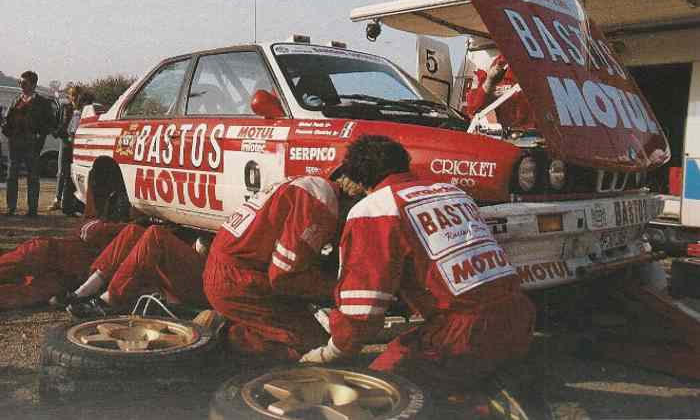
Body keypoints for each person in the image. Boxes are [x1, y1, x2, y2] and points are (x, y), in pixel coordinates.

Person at [300, 136, 535, 392]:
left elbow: (361, 312)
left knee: (376, 390)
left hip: (463, 334)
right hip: (520, 317)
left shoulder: (375, 208)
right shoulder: (454, 192)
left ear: (358, 178)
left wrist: (330, 353)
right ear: (404, 163)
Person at [203, 175, 356, 361]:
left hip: (231, 271)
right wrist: (338, 291)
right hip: (237, 280)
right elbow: (284, 277)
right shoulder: (319, 201)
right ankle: (223, 337)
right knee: (315, 350)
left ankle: (232, 323)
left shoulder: (311, 184)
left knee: (315, 333)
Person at [0, 192, 130, 310]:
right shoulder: (99, 223)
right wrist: (122, 229)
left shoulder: (134, 239)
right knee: (10, 266)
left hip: (68, 279)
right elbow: (89, 232)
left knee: (28, 294)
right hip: (49, 253)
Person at [65, 223, 211, 317]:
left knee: (155, 235)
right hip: (202, 258)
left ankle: (110, 300)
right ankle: (85, 290)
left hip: (209, 283)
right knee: (133, 231)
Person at [2, 71, 56, 217]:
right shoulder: (15, 100)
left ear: (33, 84)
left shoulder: (43, 103)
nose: (21, 85)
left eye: (24, 83)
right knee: (11, 176)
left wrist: (40, 138)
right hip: (15, 143)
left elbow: (50, 123)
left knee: (33, 177)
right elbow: (7, 120)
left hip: (32, 144)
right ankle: (11, 207)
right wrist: (8, 131)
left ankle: (32, 209)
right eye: (20, 83)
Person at [465, 54, 535, 130]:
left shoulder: (542, 64)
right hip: (506, 135)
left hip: (534, 135)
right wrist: (490, 81)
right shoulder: (500, 64)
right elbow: (473, 110)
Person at [50, 85, 81, 212]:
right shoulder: (65, 107)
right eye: (73, 95)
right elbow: (59, 123)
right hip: (65, 141)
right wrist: (58, 133)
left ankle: (70, 201)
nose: (75, 98)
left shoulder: (85, 110)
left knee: (74, 173)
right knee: (62, 171)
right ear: (69, 96)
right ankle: (57, 199)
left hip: (78, 143)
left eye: (77, 95)